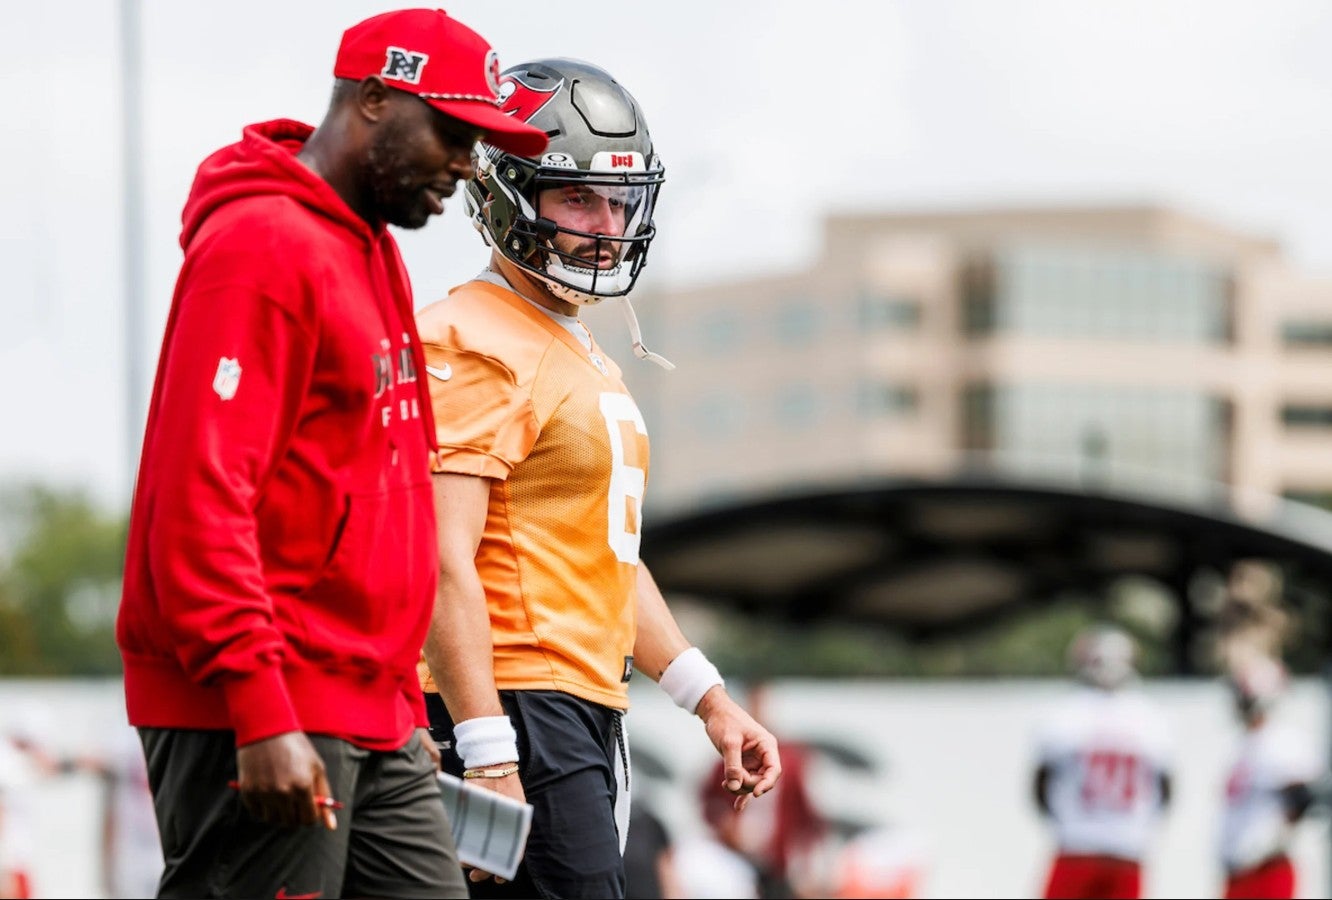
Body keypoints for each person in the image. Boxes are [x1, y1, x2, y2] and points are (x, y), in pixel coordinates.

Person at [113, 9, 547, 899]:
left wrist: (391, 695)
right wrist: (260, 707)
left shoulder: (370, 248)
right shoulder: (263, 245)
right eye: (456, 133)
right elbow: (198, 499)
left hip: (364, 705)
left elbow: (379, 487)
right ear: (378, 99)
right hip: (261, 699)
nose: (468, 164)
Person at [415, 57, 783, 898]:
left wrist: (709, 700)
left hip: (575, 706)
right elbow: (437, 560)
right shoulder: (472, 338)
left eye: (621, 200)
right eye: (577, 196)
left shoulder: (573, 346)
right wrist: (487, 748)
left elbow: (606, 559)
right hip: (514, 702)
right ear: (508, 192)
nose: (606, 224)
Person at [1031, 625, 1173, 900]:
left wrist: (1067, 823)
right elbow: (1165, 792)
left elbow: (1040, 786)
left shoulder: (1067, 715)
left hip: (1078, 846)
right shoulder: (1150, 718)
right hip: (1127, 848)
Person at [1218, 652, 1325, 900]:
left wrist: (1275, 839)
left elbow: (1302, 798)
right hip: (1240, 870)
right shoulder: (1244, 743)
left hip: (1266, 870)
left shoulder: (1282, 742)